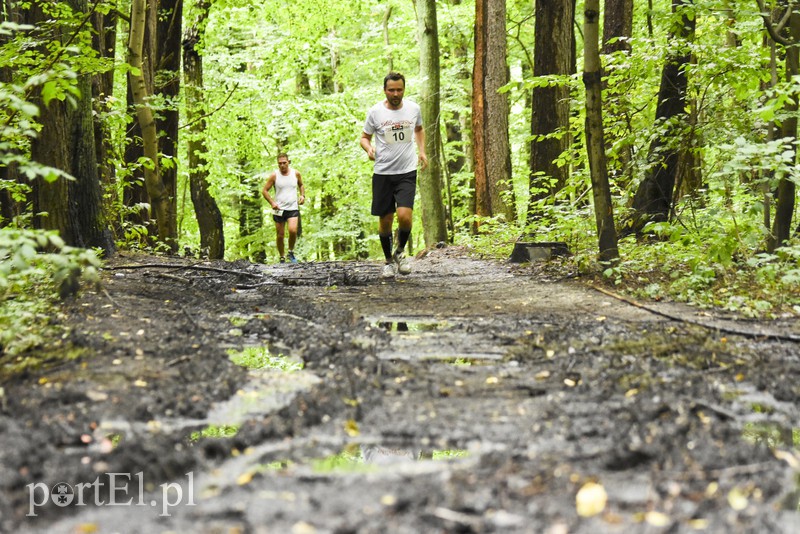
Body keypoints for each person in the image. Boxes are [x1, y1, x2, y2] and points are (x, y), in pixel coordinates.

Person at [360, 71, 428, 278]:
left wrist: (422, 150)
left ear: (404, 89)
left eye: (399, 89)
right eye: (391, 90)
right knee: (386, 220)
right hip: (383, 172)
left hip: (407, 171)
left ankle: (400, 252)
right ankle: (388, 261)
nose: (395, 93)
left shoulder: (413, 108)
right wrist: (369, 149)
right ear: (385, 91)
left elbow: (419, 128)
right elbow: (364, 137)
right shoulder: (375, 112)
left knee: (405, 217)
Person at [261, 153, 306, 263]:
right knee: (280, 235)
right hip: (279, 209)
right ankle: (282, 257)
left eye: (284, 163)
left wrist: (302, 195)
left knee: (293, 231)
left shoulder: (296, 173)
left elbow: (301, 185)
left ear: (288, 162)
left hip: (293, 207)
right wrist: (272, 203)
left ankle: (290, 252)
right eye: (280, 163)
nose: (282, 165)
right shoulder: (274, 175)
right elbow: (264, 190)